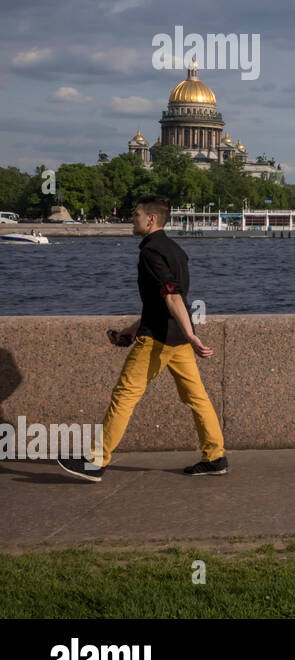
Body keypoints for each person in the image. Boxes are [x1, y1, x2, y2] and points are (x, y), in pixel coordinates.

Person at [57, 195, 227, 482]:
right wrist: (135, 330)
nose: (131, 219)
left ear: (151, 219)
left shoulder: (150, 251)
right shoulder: (176, 250)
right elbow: (168, 301)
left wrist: (190, 336)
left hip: (158, 340)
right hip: (177, 340)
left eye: (135, 215)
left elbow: (172, 296)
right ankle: (215, 456)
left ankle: (95, 461)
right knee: (197, 399)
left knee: (124, 396)